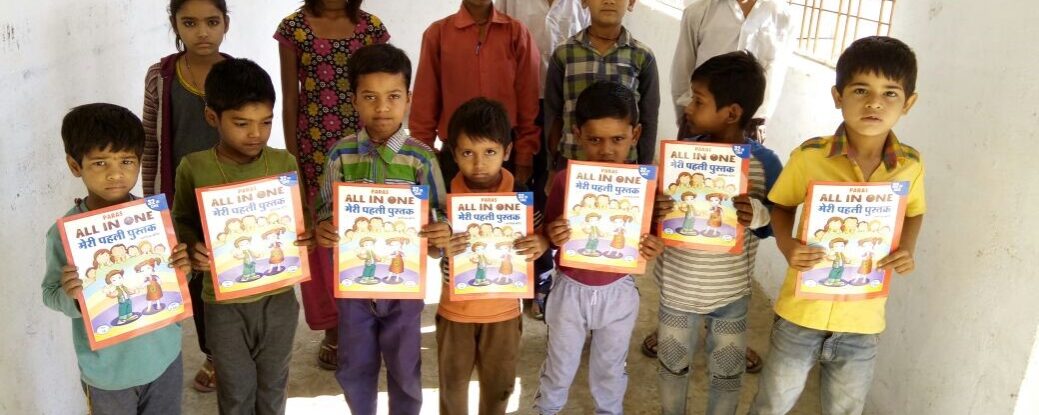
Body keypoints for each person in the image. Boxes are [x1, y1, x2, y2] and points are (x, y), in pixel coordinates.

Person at [749, 36, 926, 415]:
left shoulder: (910, 165)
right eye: (861, 90)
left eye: (890, 93)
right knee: (772, 404)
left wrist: (907, 248)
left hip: (863, 320)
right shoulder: (810, 157)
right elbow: (781, 205)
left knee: (845, 409)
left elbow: (914, 211)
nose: (874, 102)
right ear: (837, 96)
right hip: (800, 313)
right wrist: (787, 245)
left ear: (908, 103)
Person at [171, 58, 315, 414]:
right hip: (223, 305)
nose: (256, 134)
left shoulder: (284, 163)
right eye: (241, 123)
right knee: (235, 391)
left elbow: (300, 220)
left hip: (279, 300)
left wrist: (307, 236)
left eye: (265, 122)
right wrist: (192, 246)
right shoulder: (194, 167)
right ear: (212, 118)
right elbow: (182, 220)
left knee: (273, 387)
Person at [314, 43, 446, 415]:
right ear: (355, 99)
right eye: (370, 97)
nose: (382, 107)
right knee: (354, 365)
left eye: (393, 96)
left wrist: (439, 234)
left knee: (405, 367)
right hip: (354, 288)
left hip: (405, 289)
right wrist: (324, 228)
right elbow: (324, 210)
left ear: (408, 99)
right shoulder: (340, 154)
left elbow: (440, 216)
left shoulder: (422, 158)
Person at [651, 51, 783, 415]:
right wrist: (655, 211)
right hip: (677, 289)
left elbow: (778, 224)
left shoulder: (765, 164)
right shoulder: (679, 157)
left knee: (727, 372)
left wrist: (757, 213)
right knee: (671, 366)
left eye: (698, 100)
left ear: (732, 112)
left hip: (730, 294)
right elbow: (651, 216)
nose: (688, 106)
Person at [43, 103, 192, 414]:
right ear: (75, 165)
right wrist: (72, 296)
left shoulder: (154, 219)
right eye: (100, 163)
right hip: (108, 375)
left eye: (127, 161)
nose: (116, 174)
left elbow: (175, 278)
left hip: (164, 358)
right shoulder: (64, 233)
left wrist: (183, 268)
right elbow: (51, 294)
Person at [534, 81, 665, 415]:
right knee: (559, 367)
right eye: (595, 139)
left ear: (635, 134)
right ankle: (547, 409)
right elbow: (549, 233)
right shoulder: (565, 180)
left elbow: (651, 235)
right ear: (578, 134)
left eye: (617, 139)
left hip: (618, 292)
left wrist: (653, 244)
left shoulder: (643, 185)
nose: (607, 149)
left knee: (610, 369)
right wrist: (553, 233)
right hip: (570, 291)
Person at [275, 0, 390, 371]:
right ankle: (333, 328)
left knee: (367, 235)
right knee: (322, 242)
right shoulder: (294, 28)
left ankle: (370, 322)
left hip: (366, 149)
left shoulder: (371, 28)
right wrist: (294, 162)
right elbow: (290, 99)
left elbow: (386, 89)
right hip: (315, 151)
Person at [434, 98, 549, 414]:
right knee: (452, 390)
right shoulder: (444, 199)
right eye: (467, 153)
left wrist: (541, 243)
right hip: (454, 311)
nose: (479, 164)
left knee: (499, 389)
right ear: (454, 153)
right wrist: (438, 242)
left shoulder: (522, 198)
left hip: (504, 314)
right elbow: (429, 248)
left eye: (489, 152)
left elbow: (543, 237)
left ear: (507, 151)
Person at [141, 0, 230, 392]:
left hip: (228, 200)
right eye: (190, 23)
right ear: (175, 24)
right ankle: (213, 354)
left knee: (232, 274)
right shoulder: (161, 76)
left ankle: (236, 350)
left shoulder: (237, 74)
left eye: (212, 22)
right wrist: (151, 204)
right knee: (194, 278)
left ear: (226, 24)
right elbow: (150, 140)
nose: (202, 32)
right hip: (181, 200)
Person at [411, 0, 541, 188]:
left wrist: (525, 152)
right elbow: (424, 102)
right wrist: (423, 155)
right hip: (456, 154)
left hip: (504, 153)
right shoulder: (438, 33)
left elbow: (528, 99)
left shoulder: (516, 32)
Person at [545, 0, 660, 173]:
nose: (609, 1)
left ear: (631, 3)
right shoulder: (564, 53)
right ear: (584, 1)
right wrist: (552, 166)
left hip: (623, 166)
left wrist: (645, 168)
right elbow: (553, 113)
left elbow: (649, 116)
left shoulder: (642, 56)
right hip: (572, 162)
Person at [670, 0, 793, 141]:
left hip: (750, 125)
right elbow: (682, 71)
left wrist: (760, 121)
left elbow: (775, 75)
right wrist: (688, 119)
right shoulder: (699, 11)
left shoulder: (782, 17)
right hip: (700, 122)